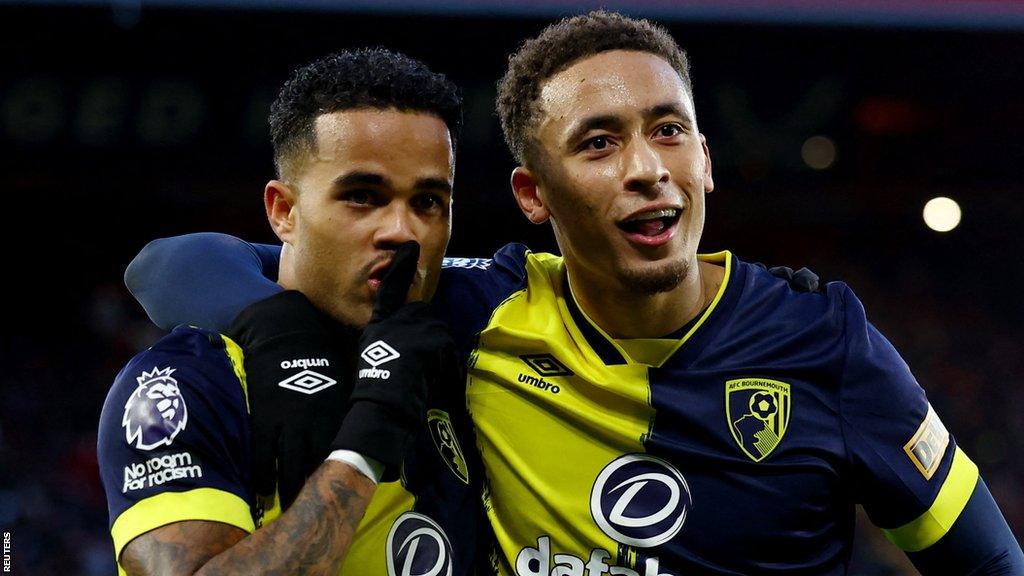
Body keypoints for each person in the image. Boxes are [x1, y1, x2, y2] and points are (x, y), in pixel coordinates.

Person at [123, 11, 1023, 576]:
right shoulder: (477, 310)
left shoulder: (828, 344)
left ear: (704, 158)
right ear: (532, 196)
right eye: (597, 143)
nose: (645, 169)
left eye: (669, 131)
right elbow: (176, 262)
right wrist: (286, 342)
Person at [98, 48, 483, 576]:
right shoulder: (191, 382)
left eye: (428, 202)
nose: (402, 230)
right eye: (362, 196)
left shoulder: (478, 330)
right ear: (283, 211)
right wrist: (366, 441)